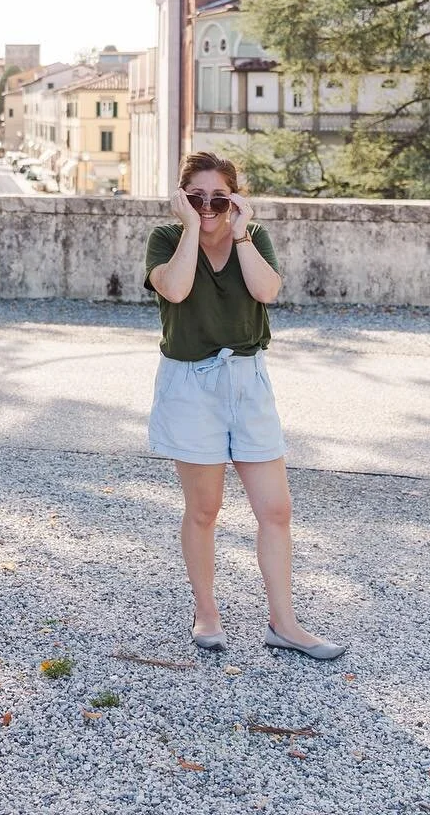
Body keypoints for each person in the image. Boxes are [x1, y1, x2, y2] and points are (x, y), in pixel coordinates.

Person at [144, 150, 347, 661]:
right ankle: (206, 611)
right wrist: (191, 226)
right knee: (205, 509)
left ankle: (284, 623)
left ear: (235, 198)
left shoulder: (252, 241)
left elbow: (268, 291)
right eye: (197, 197)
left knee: (276, 509)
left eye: (219, 197)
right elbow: (176, 287)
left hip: (248, 381)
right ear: (182, 198)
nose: (208, 206)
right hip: (191, 383)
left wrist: (240, 232)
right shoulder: (166, 240)